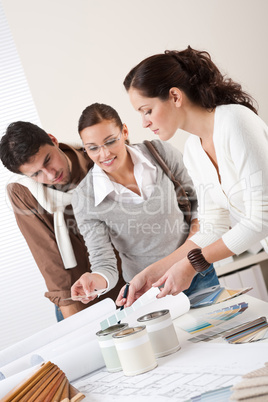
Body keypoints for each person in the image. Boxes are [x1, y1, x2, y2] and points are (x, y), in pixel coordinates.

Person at [116, 45, 268, 307]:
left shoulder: (235, 122)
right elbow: (212, 227)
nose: (144, 123)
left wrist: (192, 264)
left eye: (147, 110)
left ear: (175, 96)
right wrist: (153, 273)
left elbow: (262, 219)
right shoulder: (193, 150)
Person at [71, 102, 218, 302]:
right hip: (148, 291)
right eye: (93, 148)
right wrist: (94, 281)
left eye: (110, 141)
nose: (104, 154)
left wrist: (190, 253)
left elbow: (202, 204)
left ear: (124, 131)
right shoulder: (84, 197)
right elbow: (104, 264)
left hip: (195, 270)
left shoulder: (160, 154)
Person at [0, 121, 125, 320]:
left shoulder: (98, 158)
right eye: (36, 174)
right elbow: (50, 261)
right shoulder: (23, 192)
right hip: (75, 301)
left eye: (48, 160)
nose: (50, 174)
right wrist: (77, 325)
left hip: (128, 283)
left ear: (53, 140)